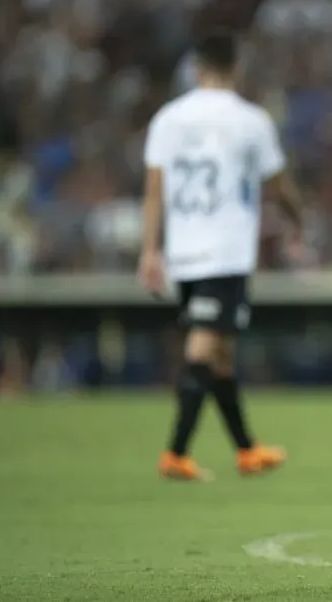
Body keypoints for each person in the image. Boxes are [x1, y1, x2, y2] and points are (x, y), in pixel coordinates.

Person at [138, 31, 303, 481]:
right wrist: (297, 217)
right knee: (204, 344)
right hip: (225, 252)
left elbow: (155, 189)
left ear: (195, 69)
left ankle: (247, 450)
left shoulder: (168, 119)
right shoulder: (251, 120)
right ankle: (175, 453)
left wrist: (150, 249)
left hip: (183, 251)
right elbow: (278, 184)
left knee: (221, 353)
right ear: (237, 68)